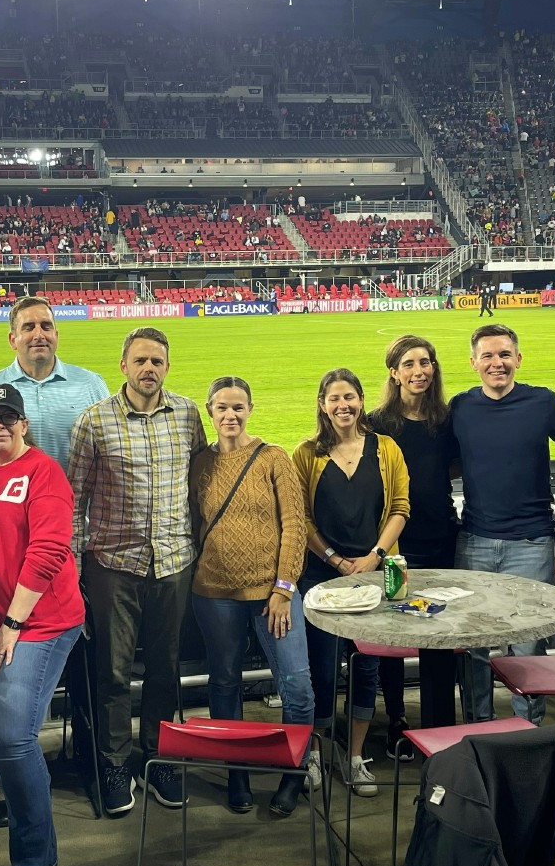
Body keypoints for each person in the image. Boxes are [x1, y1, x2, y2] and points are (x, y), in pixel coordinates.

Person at [68, 326, 206, 815]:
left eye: (158, 362)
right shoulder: (94, 422)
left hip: (173, 563)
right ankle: (114, 763)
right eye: (141, 360)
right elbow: (75, 499)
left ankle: (160, 757)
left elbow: (197, 487)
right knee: (112, 673)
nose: (150, 369)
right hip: (113, 565)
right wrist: (77, 571)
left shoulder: (188, 415)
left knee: (166, 670)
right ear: (122, 365)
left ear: (167, 367)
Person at [0, 385, 85, 866]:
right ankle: (26, 788)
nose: (0, 426)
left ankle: (36, 861)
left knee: (11, 738)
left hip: (38, 623)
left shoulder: (43, 472)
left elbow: (50, 548)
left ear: (24, 425)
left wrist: (13, 620)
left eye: (10, 418)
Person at [189, 376, 312, 815]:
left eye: (238, 407)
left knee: (296, 685)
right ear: (209, 412)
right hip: (214, 591)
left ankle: (293, 775)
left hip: (272, 593)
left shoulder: (273, 458)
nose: (230, 416)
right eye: (222, 408)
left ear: (251, 409)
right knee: (224, 684)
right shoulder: (200, 463)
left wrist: (283, 587)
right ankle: (236, 773)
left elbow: (294, 526)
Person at [450, 324, 555, 724]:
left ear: (518, 359)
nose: (497, 363)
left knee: (526, 646)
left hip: (531, 544)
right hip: (474, 543)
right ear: (473, 363)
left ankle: (528, 728)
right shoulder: (460, 406)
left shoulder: (542, 402)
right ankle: (479, 727)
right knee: (472, 645)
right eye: (487, 356)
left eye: (504, 354)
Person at [292, 369, 409, 797]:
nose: (343, 405)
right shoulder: (306, 454)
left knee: (367, 667)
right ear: (322, 404)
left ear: (361, 401)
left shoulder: (387, 449)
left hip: (372, 575)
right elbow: (299, 517)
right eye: (334, 398)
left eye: (350, 397)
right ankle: (319, 755)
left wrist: (374, 556)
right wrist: (334, 558)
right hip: (322, 577)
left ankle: (356, 756)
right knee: (321, 671)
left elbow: (400, 507)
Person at [368, 335, 460, 742]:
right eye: (408, 364)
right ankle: (397, 720)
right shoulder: (377, 423)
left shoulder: (446, 420)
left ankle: (439, 723)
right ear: (394, 372)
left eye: (425, 362)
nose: (418, 371)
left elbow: (455, 466)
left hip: (442, 537)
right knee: (394, 632)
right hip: (396, 545)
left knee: (440, 633)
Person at [0, 295, 109, 470]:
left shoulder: (91, 384)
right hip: (10, 496)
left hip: (75, 497)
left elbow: (109, 448)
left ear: (56, 336)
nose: (39, 334)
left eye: (46, 326)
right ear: (13, 340)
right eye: (28, 328)